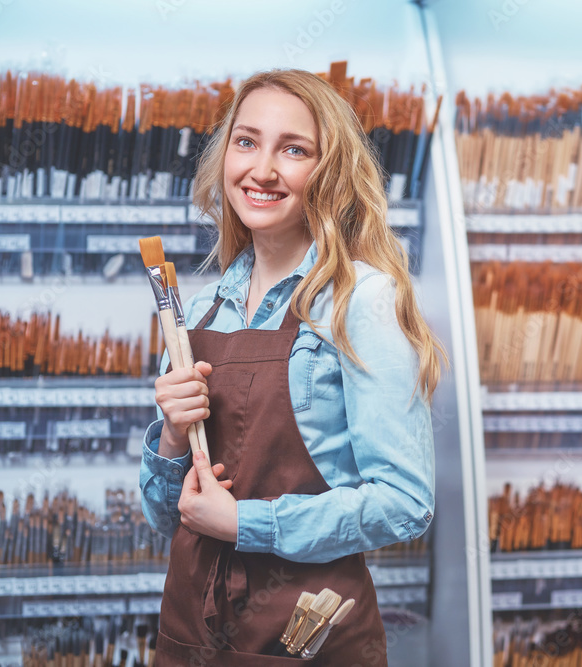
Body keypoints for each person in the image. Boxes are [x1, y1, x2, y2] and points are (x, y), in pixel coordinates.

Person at [139, 68, 445, 667]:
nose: (262, 170)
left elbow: (407, 502)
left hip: (304, 632)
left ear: (328, 171)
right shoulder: (197, 312)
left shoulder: (361, 301)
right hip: (190, 630)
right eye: (247, 142)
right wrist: (172, 438)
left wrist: (246, 523)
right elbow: (164, 514)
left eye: (294, 149)